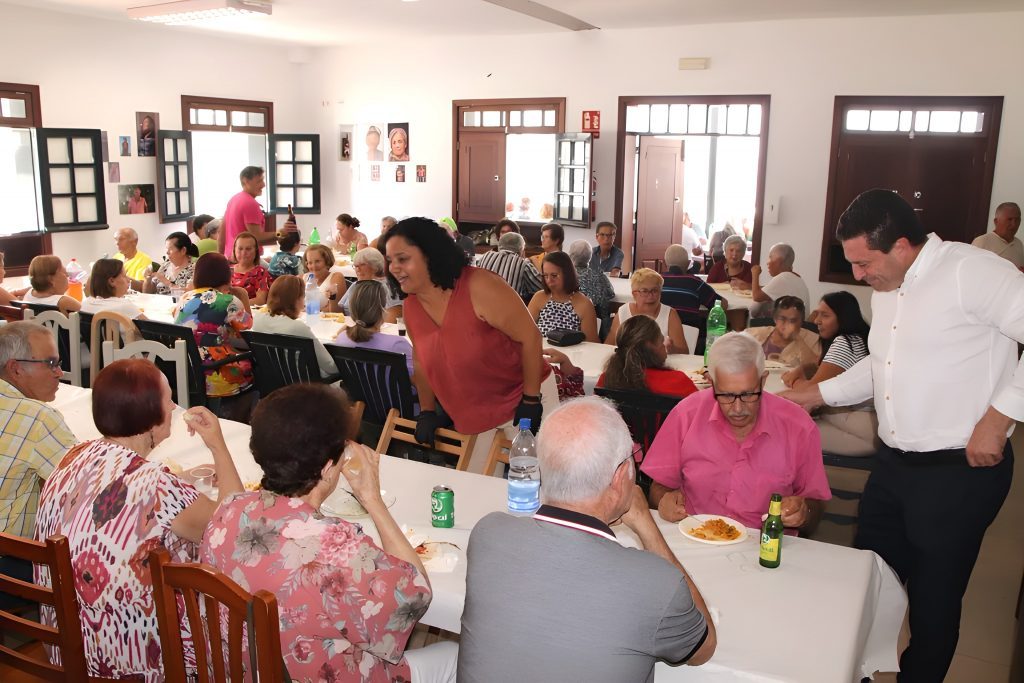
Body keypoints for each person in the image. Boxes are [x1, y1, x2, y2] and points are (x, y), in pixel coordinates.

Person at [781, 188, 1022, 681]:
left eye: (864, 263)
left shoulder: (970, 271)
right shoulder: (890, 289)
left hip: (959, 469)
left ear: (902, 245)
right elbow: (881, 366)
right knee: (872, 582)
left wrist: (999, 419)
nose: (858, 276)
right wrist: (810, 397)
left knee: (933, 605)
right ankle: (862, 670)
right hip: (893, 466)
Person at [200, 384, 456, 682]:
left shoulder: (229, 509)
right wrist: (372, 498)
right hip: (317, 674)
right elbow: (414, 599)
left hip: (242, 671)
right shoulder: (337, 545)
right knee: (454, 655)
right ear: (327, 469)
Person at [458, 396, 715, 681]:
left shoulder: (488, 534)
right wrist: (646, 525)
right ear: (619, 479)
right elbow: (703, 649)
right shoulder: (657, 583)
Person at [34, 359, 242, 681]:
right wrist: (216, 444)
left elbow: (114, 497)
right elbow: (233, 524)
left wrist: (180, 478)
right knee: (243, 602)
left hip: (67, 641)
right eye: (168, 400)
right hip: (132, 658)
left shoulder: (73, 455)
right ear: (150, 417)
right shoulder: (156, 485)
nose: (174, 407)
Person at [382, 217, 558, 452]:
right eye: (390, 261)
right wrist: (427, 411)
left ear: (430, 254)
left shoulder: (479, 286)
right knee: (475, 484)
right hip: (476, 415)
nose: (394, 267)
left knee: (537, 482)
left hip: (523, 400)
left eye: (402, 259)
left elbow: (530, 337)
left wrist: (531, 399)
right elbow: (421, 360)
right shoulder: (412, 307)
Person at [643, 332, 831, 532]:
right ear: (711, 382)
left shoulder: (798, 426)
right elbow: (658, 487)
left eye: (749, 394)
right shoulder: (686, 414)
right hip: (696, 534)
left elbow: (815, 505)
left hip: (765, 545)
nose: (738, 408)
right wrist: (663, 500)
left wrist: (804, 512)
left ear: (763, 380)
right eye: (726, 395)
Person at [0, 322, 75, 605]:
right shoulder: (37, 418)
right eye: (51, 363)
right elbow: (89, 488)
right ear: (16, 368)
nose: (59, 372)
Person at [782, 291, 879, 457]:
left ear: (843, 317)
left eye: (825, 315)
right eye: (817, 314)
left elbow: (809, 394)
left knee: (784, 432)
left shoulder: (845, 343)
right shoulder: (859, 339)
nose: (817, 320)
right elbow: (825, 370)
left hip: (858, 431)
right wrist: (801, 370)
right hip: (866, 425)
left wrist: (794, 381)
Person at [175, 253, 254, 399]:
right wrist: (242, 296)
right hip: (217, 375)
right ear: (226, 275)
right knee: (256, 362)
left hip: (188, 372)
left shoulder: (185, 297)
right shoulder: (228, 300)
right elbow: (248, 328)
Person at [251, 275, 338, 378]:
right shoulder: (297, 327)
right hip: (306, 385)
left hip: (276, 383)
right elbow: (331, 367)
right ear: (297, 299)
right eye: (303, 296)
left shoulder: (258, 319)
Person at [334, 280, 415, 381]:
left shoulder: (342, 338)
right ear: (383, 309)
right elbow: (417, 380)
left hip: (360, 396)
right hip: (396, 396)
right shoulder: (397, 344)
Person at [598, 315, 698, 397]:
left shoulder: (607, 379)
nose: (664, 346)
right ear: (650, 346)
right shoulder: (678, 382)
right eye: (661, 341)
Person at [604, 268, 688, 353]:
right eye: (644, 291)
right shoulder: (623, 311)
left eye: (655, 290)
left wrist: (672, 349)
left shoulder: (670, 314)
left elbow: (684, 352)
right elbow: (608, 346)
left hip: (660, 364)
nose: (651, 295)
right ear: (634, 294)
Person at [529, 251, 599, 342]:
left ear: (567, 275)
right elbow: (526, 331)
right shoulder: (539, 297)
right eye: (545, 276)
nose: (549, 280)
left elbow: (591, 343)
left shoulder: (584, 304)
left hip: (572, 355)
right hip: (542, 353)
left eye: (554, 276)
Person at [745, 295, 820, 377]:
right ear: (775, 318)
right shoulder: (752, 334)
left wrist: (798, 339)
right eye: (783, 319)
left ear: (801, 321)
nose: (787, 324)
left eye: (793, 320)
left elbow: (816, 370)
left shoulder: (814, 340)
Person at [339, 247, 401, 322]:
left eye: (362, 265)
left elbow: (392, 320)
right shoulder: (355, 285)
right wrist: (332, 298)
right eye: (355, 266)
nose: (357, 269)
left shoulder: (388, 287)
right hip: (348, 327)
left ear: (375, 266)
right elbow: (338, 311)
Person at [477, 231, 544, 299]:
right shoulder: (523, 264)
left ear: (499, 245)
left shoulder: (485, 256)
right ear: (521, 249)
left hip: (480, 304)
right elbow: (542, 288)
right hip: (507, 307)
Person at [750, 242, 810, 317]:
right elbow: (766, 291)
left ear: (779, 261)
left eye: (770, 257)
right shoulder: (794, 278)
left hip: (792, 326)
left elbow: (757, 297)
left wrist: (755, 274)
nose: (767, 262)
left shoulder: (783, 278)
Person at [220, 165, 266, 257]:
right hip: (245, 259)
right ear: (246, 182)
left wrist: (220, 256)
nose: (263, 185)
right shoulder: (250, 203)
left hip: (231, 257)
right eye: (259, 181)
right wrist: (280, 233)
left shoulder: (234, 199)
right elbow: (257, 237)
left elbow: (222, 233)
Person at [80, 258, 145, 319]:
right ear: (112, 281)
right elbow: (150, 328)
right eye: (124, 276)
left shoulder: (84, 304)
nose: (128, 280)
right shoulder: (125, 306)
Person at [971, 201, 1023, 268]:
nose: (1014, 224)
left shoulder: (1019, 244)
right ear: (996, 221)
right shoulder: (982, 242)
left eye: (1017, 220)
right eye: (1009, 219)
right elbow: (971, 269)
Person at [146, 231, 197, 296]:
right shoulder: (166, 265)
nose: (167, 252)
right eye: (167, 249)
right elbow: (149, 292)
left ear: (183, 250)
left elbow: (189, 294)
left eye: (170, 249)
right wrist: (148, 279)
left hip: (179, 305)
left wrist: (167, 282)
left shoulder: (194, 268)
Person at [229, 231, 270, 306]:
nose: (244, 253)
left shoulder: (261, 272)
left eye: (248, 249)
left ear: (256, 251)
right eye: (240, 249)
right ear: (234, 250)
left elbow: (260, 300)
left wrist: (234, 305)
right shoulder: (226, 271)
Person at [303, 244, 347, 313]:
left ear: (327, 261)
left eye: (317, 261)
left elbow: (336, 312)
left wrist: (306, 309)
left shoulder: (336, 277)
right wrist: (323, 309)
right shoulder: (303, 279)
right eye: (310, 262)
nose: (313, 266)